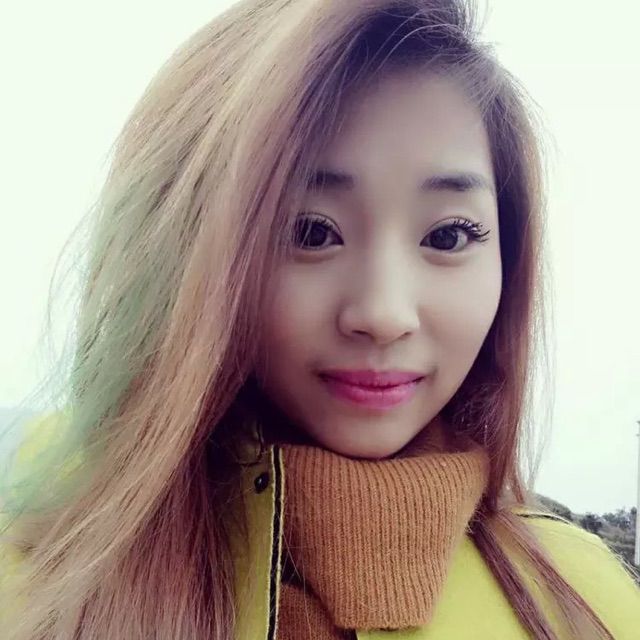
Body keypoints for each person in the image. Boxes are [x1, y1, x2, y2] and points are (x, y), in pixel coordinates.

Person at [1, 0, 638, 638]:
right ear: (182, 251)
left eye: (448, 236)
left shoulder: (590, 605)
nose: (384, 314)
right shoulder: (38, 591)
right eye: (309, 231)